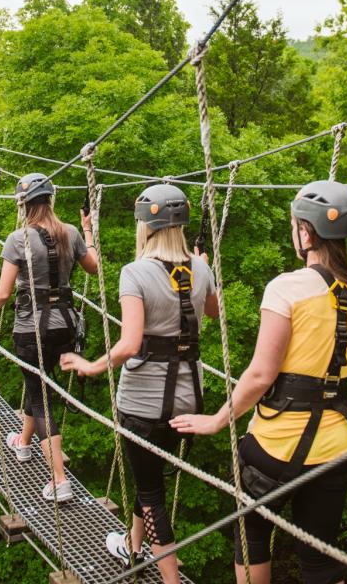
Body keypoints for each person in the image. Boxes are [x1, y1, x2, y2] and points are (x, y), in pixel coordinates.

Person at [172, 180, 347, 584]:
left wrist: (216, 420)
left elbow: (262, 374)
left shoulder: (286, 288)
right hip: (340, 444)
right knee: (320, 558)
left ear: (307, 232)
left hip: (277, 444)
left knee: (250, 533)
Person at [62, 184, 218, 583]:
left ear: (145, 226)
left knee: (152, 498)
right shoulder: (200, 268)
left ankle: (167, 578)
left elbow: (130, 344)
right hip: (189, 401)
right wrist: (204, 270)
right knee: (148, 478)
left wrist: (92, 365)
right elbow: (213, 313)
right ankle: (132, 550)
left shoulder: (135, 273)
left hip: (143, 406)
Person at [0, 173, 98, 503]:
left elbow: (3, 294)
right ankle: (24, 443)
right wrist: (88, 230)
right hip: (66, 329)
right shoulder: (71, 233)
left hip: (31, 331)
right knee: (37, 388)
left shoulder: (17, 239)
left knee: (39, 396)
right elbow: (94, 268)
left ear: (24, 205)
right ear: (50, 200)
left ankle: (59, 480)